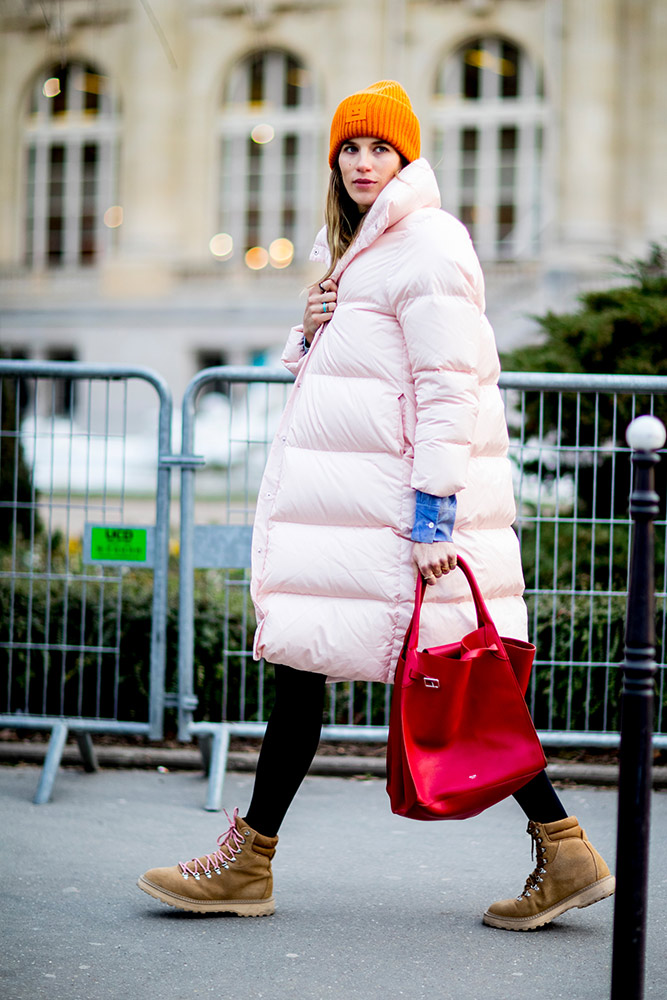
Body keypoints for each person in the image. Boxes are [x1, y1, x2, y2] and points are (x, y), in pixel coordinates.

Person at [138, 81, 615, 930]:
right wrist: (308, 325)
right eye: (348, 150)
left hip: (400, 525)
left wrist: (434, 515)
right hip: (354, 518)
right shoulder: (357, 246)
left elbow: (444, 386)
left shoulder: (428, 244)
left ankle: (558, 846)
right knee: (317, 674)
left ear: (406, 158)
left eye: (378, 149)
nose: (362, 163)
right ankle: (558, 848)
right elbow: (348, 379)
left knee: (461, 690)